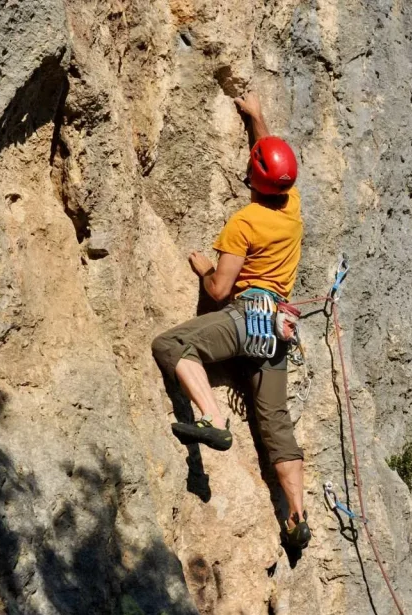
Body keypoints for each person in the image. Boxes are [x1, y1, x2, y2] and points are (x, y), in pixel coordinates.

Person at [151, 91, 311, 550]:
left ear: (254, 179)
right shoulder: (292, 208)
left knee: (171, 346)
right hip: (276, 333)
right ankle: (296, 515)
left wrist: (204, 268)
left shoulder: (244, 222)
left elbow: (220, 291)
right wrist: (257, 116)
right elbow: (271, 159)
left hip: (244, 319)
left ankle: (212, 417)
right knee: (275, 425)